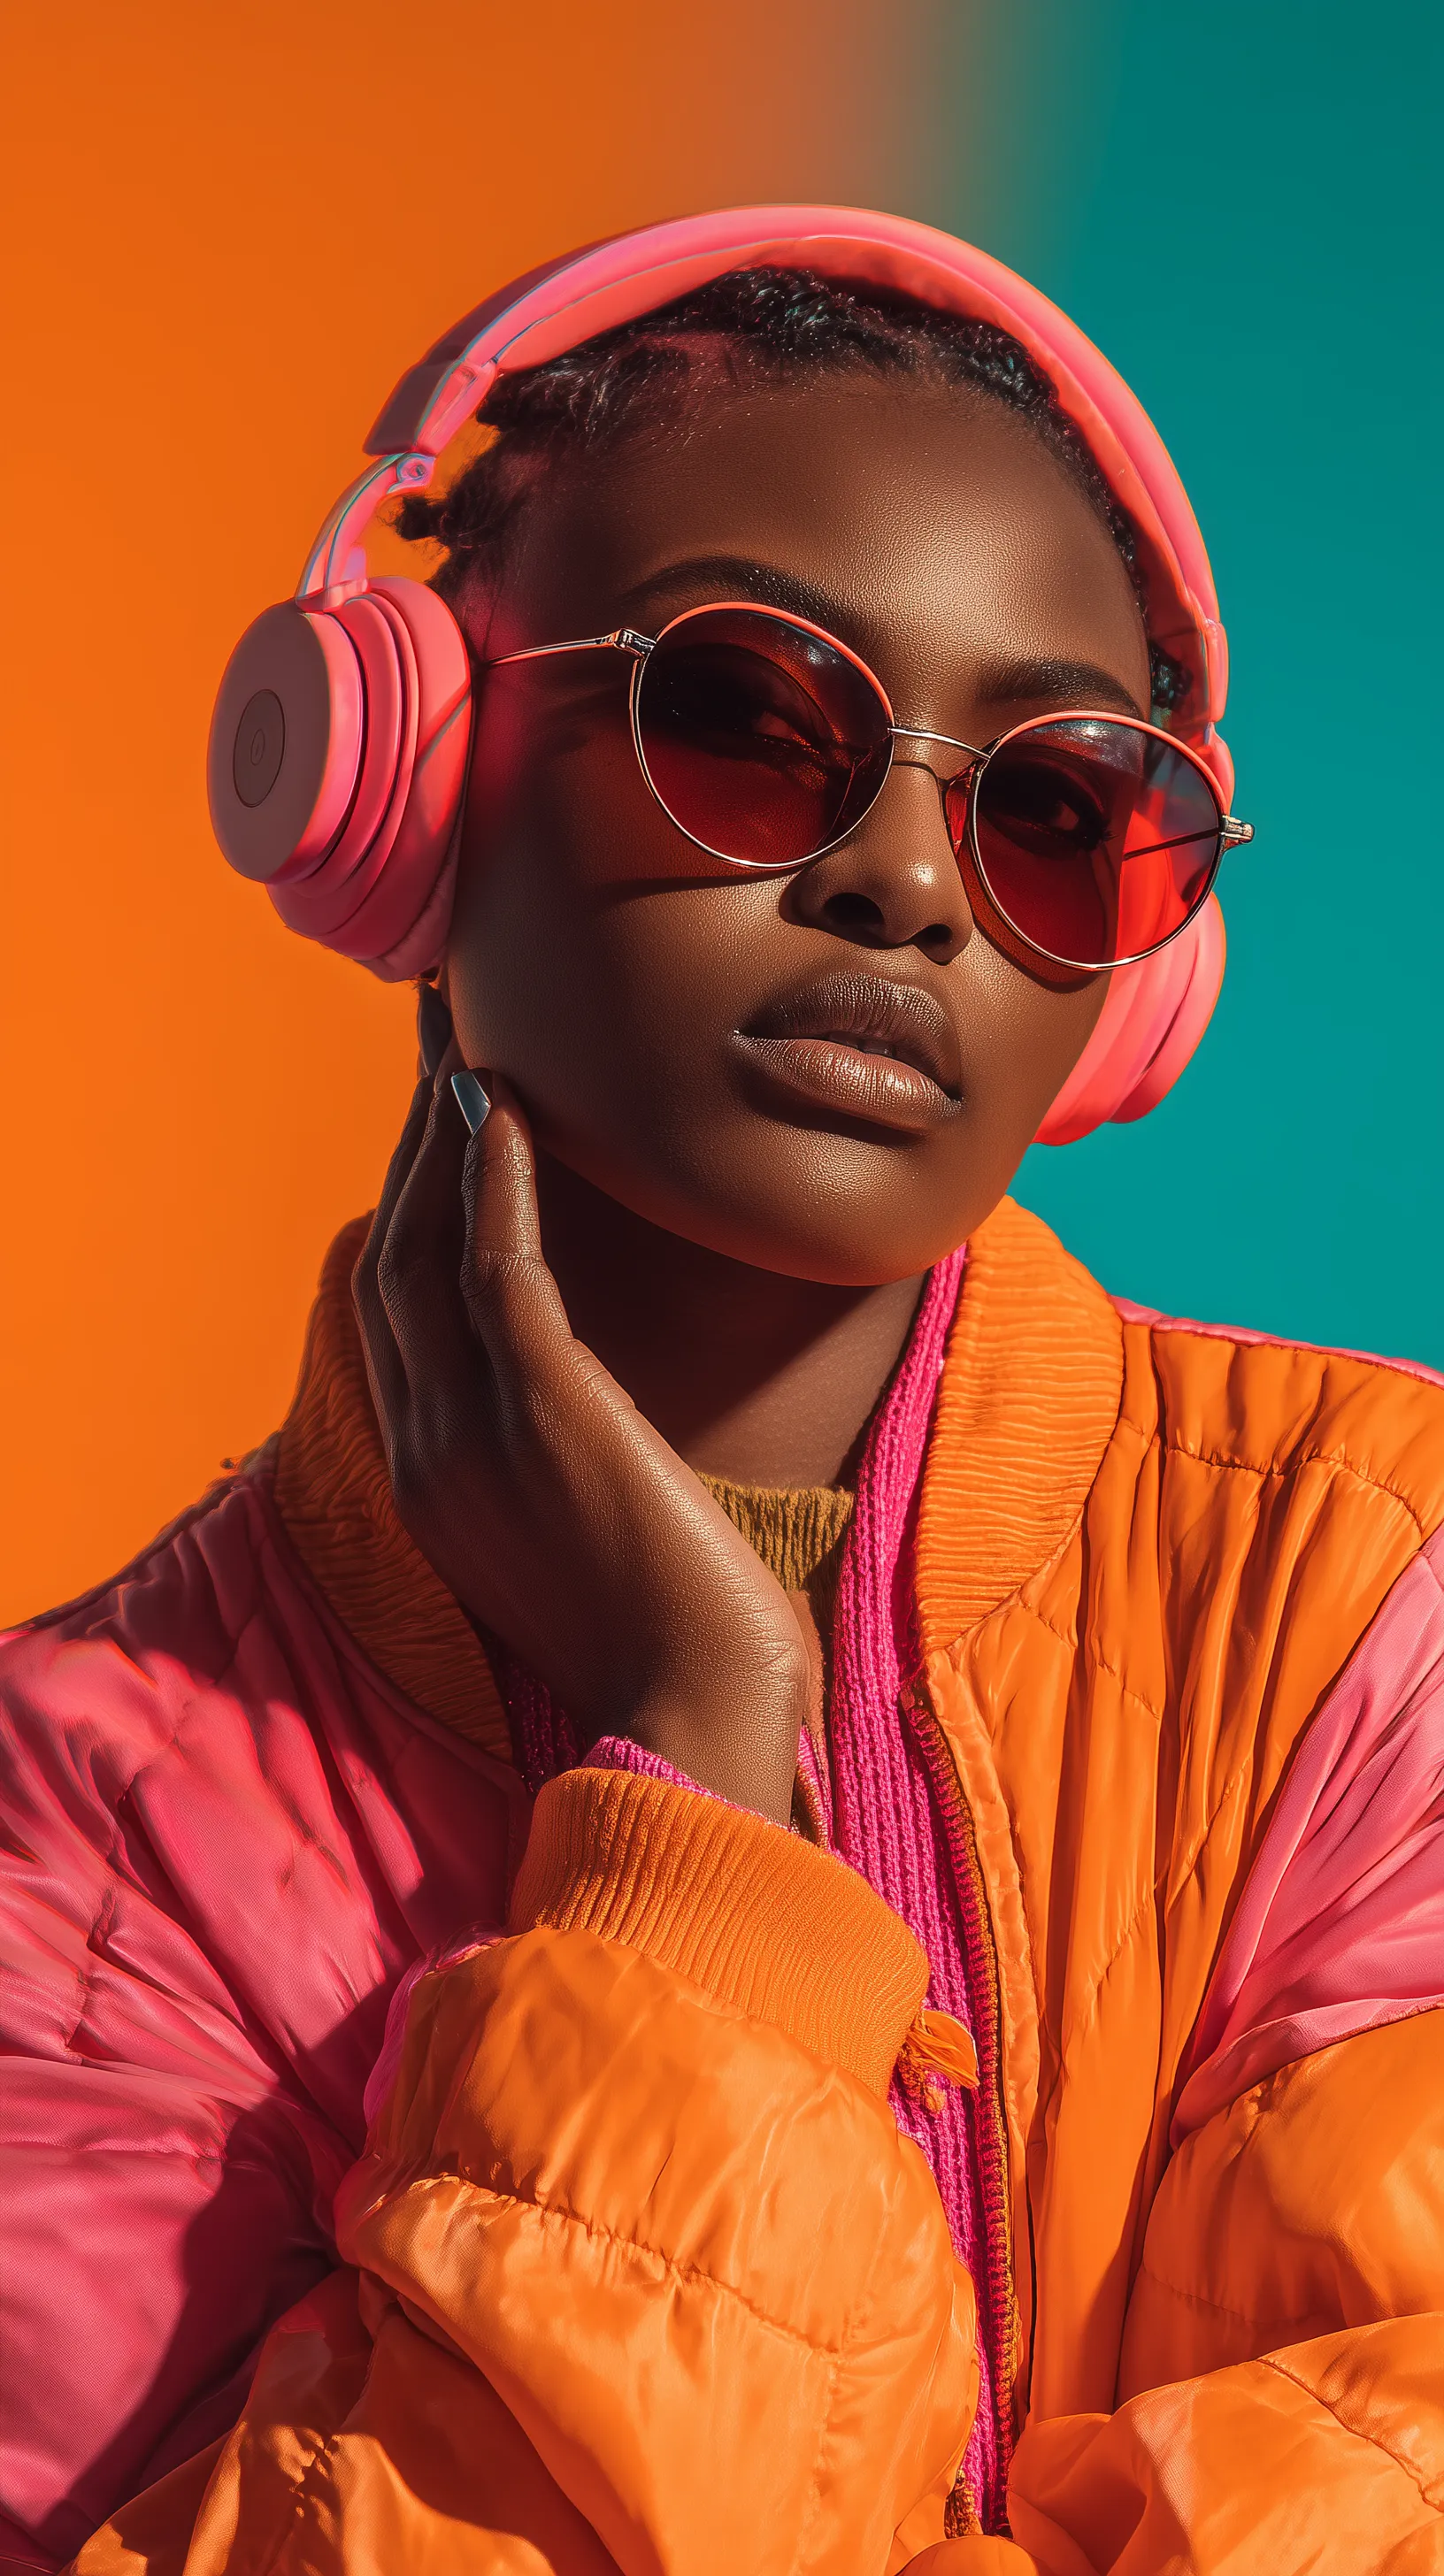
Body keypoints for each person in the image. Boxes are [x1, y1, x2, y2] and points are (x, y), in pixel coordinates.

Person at [1, 208, 1440, 2576]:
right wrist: (702, 1785)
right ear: (399, 773)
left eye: (1057, 801)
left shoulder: (1376, 1597)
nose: (910, 882)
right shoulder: (74, 1839)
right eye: (752, 719)